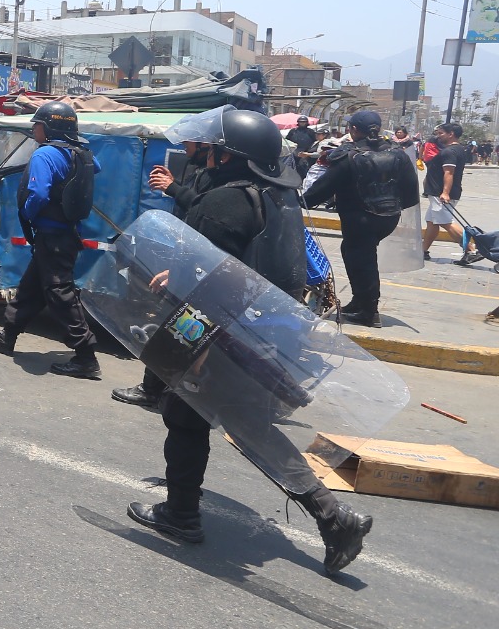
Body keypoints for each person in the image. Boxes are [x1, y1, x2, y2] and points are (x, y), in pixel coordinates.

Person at [125, 109, 374, 575]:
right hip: (259, 330)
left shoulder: (224, 202)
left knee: (185, 416)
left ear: (226, 154)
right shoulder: (275, 195)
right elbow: (235, 262)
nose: (200, 154)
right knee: (248, 425)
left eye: (208, 148)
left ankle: (180, 515)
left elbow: (209, 273)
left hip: (218, 330)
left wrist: (184, 307)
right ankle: (334, 518)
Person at [0, 100, 103, 380]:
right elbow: (96, 167)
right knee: (31, 287)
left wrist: (27, 214)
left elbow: (38, 195)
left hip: (53, 234)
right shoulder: (82, 152)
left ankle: (85, 355)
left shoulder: (45, 155)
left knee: (59, 293)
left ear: (49, 128)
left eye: (38, 125)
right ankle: (8, 335)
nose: (34, 129)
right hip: (65, 234)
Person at [112, 137, 211, 412]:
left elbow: (205, 216)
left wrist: (175, 189)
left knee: (177, 328)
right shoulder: (203, 172)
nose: (185, 147)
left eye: (191, 142)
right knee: (191, 330)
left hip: (203, 269)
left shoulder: (223, 183)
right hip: (198, 266)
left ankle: (153, 390)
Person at [301, 110, 420, 327]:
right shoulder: (398, 153)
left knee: (363, 260)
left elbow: (325, 186)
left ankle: (368, 312)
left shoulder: (349, 155)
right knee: (353, 253)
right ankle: (359, 301)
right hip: (388, 217)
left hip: (359, 218)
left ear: (353, 130)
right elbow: (411, 191)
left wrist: (302, 201)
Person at [421, 122, 468, 261]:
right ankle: (423, 251)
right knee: (432, 222)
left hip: (440, 193)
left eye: (441, 133)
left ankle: (471, 249)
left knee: (445, 222)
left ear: (451, 134)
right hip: (439, 192)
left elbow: (449, 173)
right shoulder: (458, 149)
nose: (438, 136)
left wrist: (445, 192)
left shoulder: (449, 151)